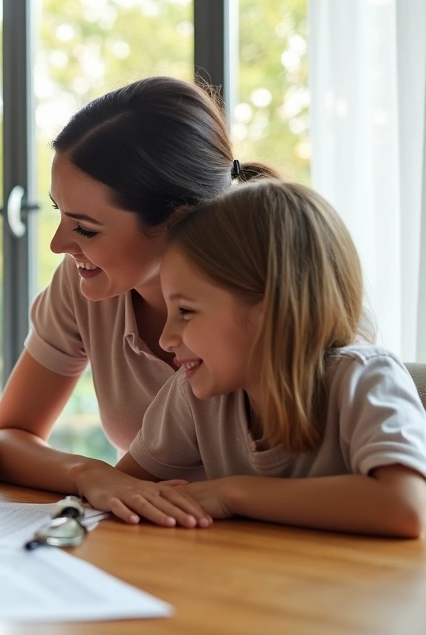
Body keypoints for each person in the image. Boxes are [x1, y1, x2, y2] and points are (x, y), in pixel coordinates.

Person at [0, 76, 277, 528]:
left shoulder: (286, 302)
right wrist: (90, 473)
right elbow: (8, 436)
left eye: (85, 228)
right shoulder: (85, 285)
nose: (58, 244)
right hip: (163, 544)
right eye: (59, 213)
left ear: (175, 221)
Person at [116, 181, 426, 537]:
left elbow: (406, 507)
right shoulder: (194, 395)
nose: (166, 338)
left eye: (185, 310)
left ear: (271, 313)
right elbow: (125, 486)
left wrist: (232, 493)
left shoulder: (366, 378)